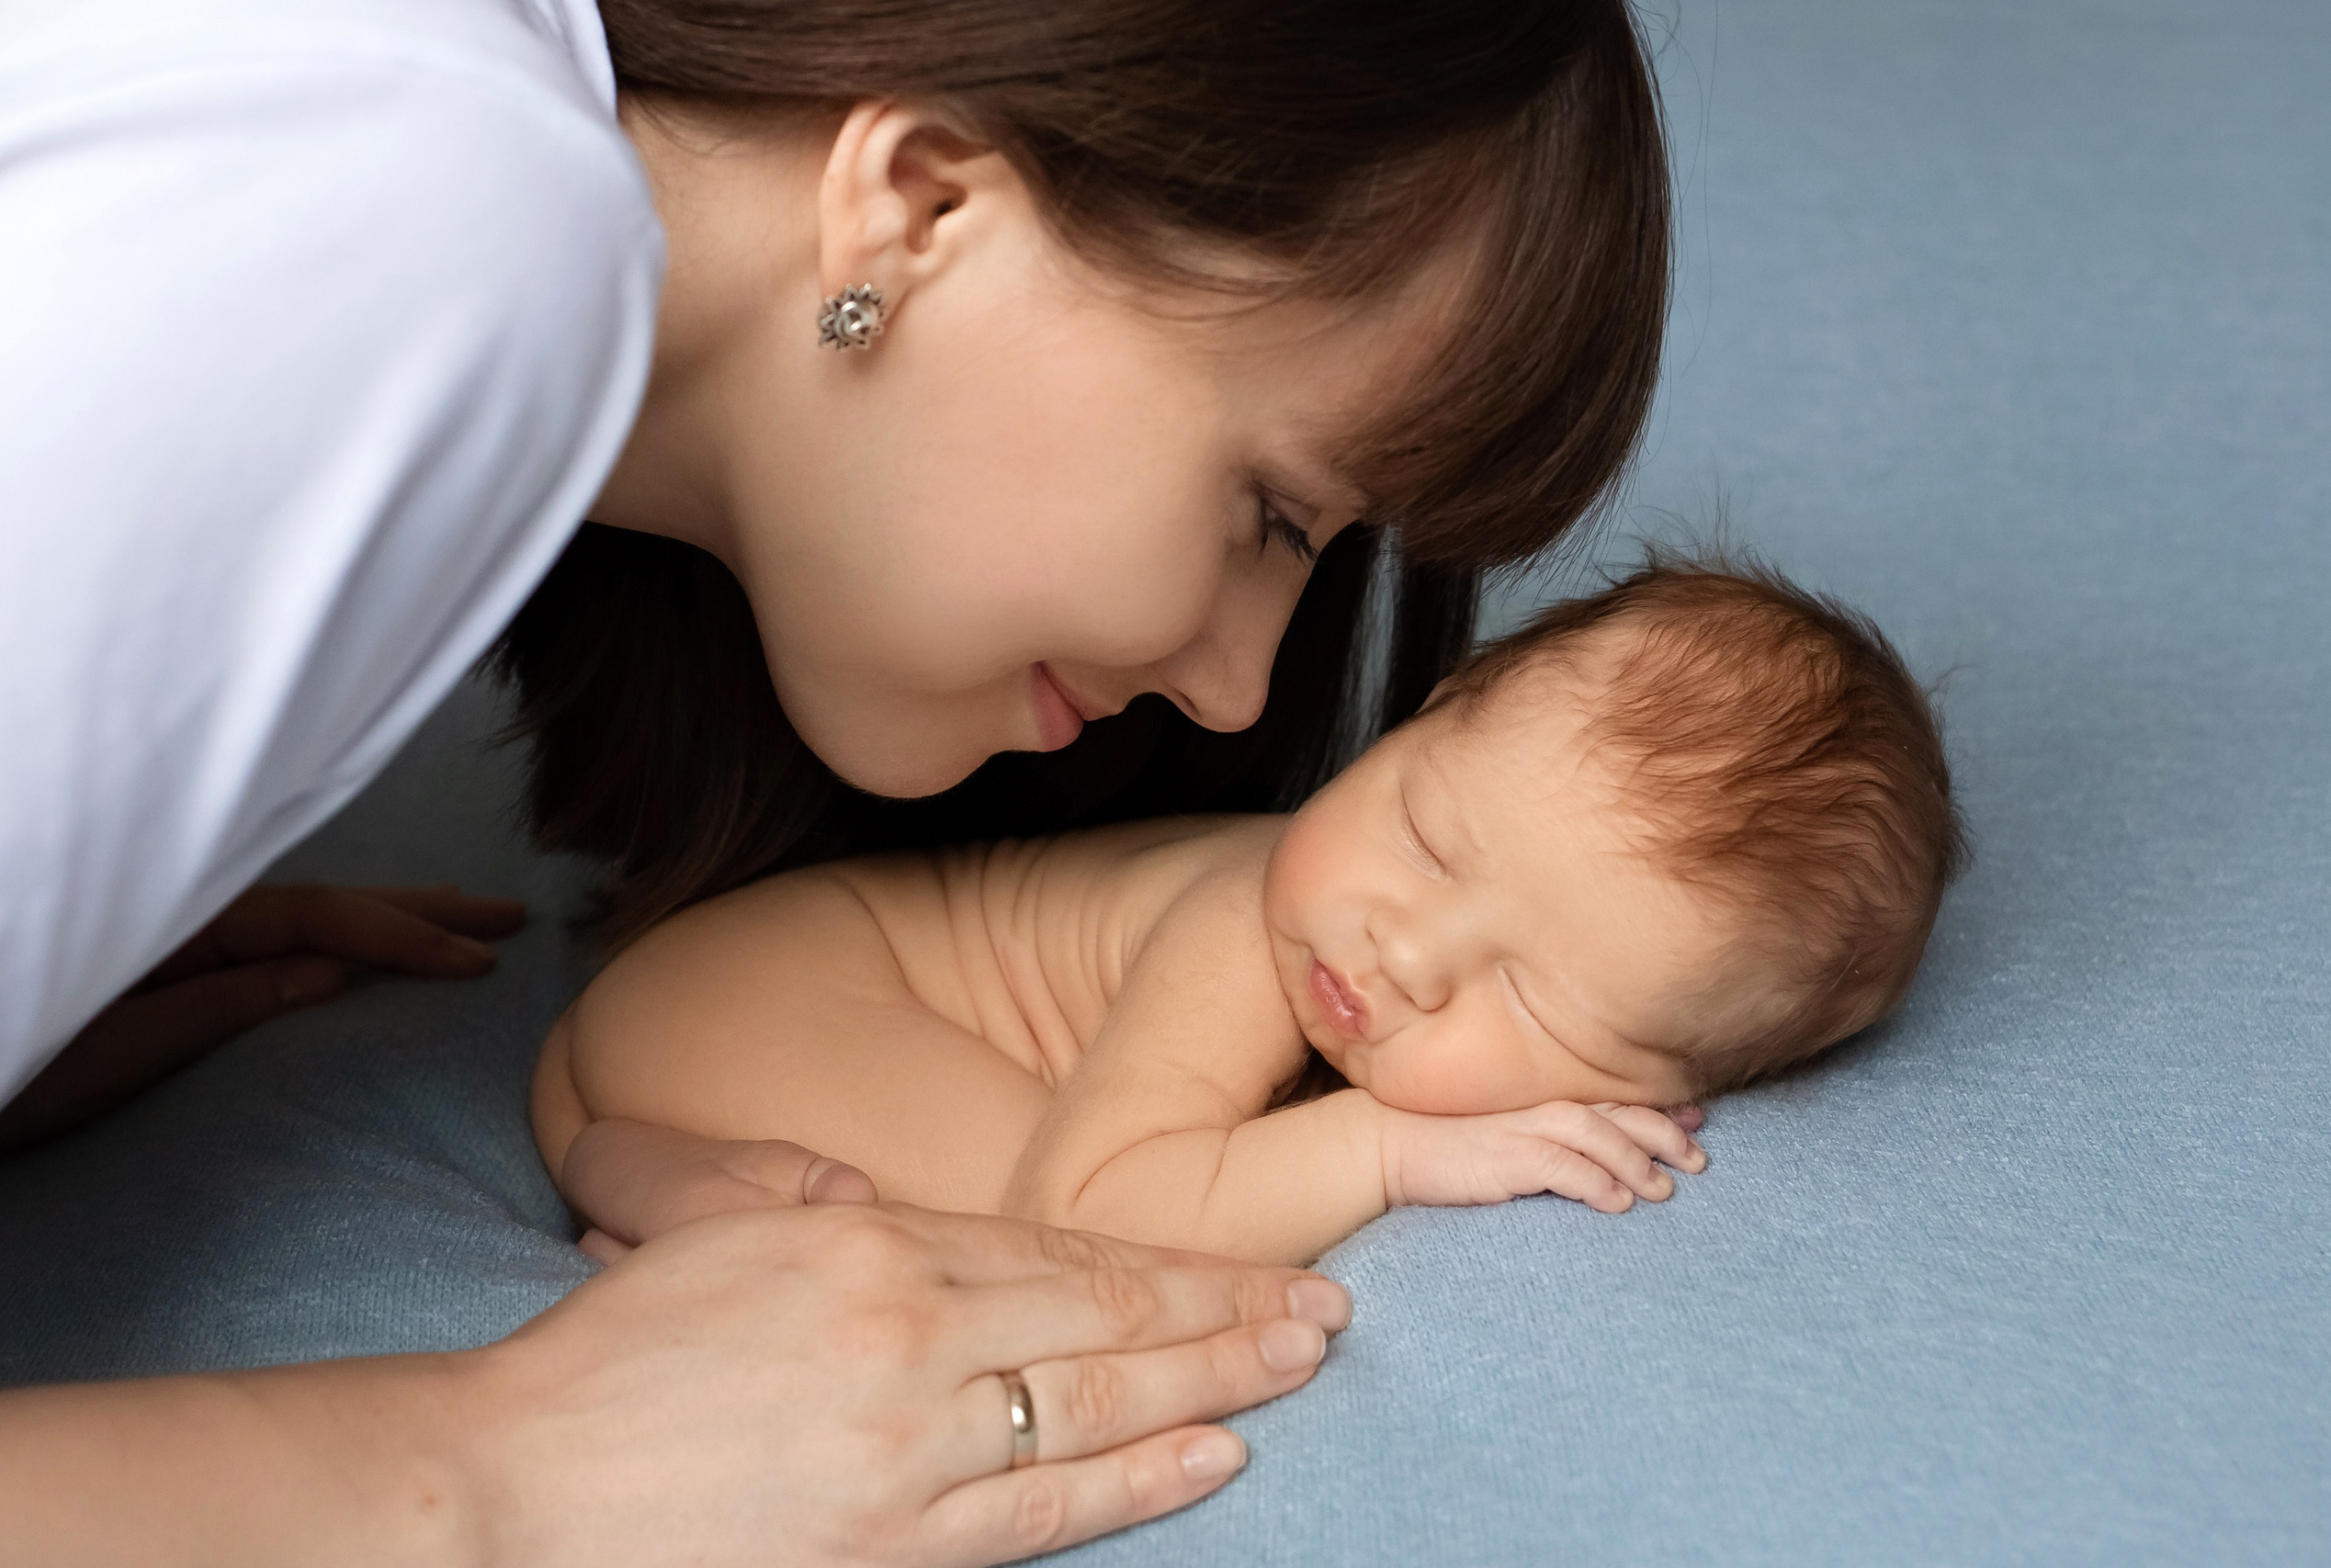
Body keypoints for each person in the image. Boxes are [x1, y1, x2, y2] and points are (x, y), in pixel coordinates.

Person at [0, 0, 1671, 1558]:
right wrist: (512, 1470)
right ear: (924, 207)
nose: (1242, 698)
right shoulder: (452, 222)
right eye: (1271, 515)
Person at [531, 557, 1965, 1267]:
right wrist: (1387, 1147)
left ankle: (666, 1183)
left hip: (699, 1038)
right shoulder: (1242, 928)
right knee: (1045, 1270)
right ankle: (652, 1187)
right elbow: (1093, 1207)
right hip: (765, 1000)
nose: (1400, 950)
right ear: (1416, 722)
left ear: (1661, 1087)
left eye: (1527, 998)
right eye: (1421, 830)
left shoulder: (1353, 928)